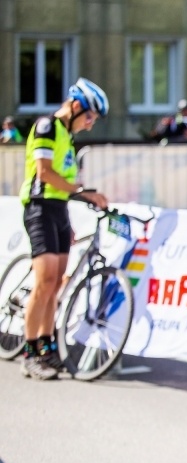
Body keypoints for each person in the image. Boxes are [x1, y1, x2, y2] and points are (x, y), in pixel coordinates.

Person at [18, 77, 110, 380]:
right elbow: (44, 174)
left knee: (56, 284)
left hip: (58, 210)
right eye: (89, 116)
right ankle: (29, 352)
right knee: (44, 282)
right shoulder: (47, 127)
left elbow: (63, 184)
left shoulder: (68, 138)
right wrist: (83, 191)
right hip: (39, 208)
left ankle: (45, 347)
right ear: (75, 106)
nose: (91, 123)